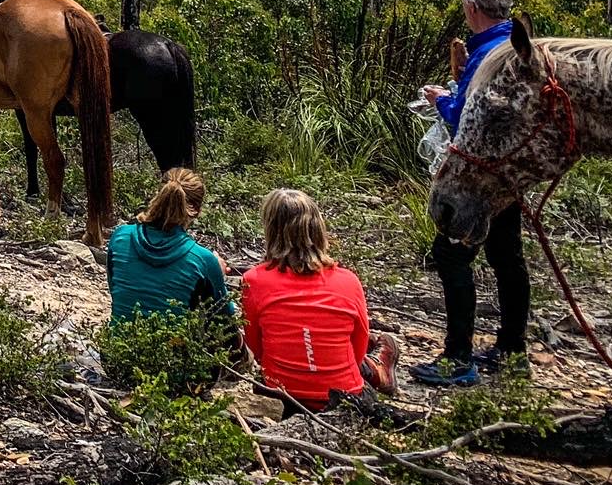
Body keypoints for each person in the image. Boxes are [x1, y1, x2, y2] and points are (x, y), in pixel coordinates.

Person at [413, 0, 532, 388]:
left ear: (471, 9)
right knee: (506, 256)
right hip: (509, 174)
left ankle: (458, 358)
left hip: (477, 179)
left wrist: (442, 99)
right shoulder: (514, 46)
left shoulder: (490, 55)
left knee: (451, 256)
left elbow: (467, 120)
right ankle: (513, 349)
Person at [240, 188, 399, 411]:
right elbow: (358, 349)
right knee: (351, 350)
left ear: (271, 230)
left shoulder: (253, 280)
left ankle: (378, 368)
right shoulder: (349, 281)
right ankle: (379, 368)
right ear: (318, 228)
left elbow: (256, 347)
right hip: (345, 396)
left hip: (281, 395)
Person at [105, 167, 232, 324]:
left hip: (115, 346)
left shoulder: (120, 236)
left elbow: (115, 289)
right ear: (197, 211)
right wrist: (219, 274)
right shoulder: (202, 259)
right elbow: (226, 317)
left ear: (159, 195)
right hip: (172, 347)